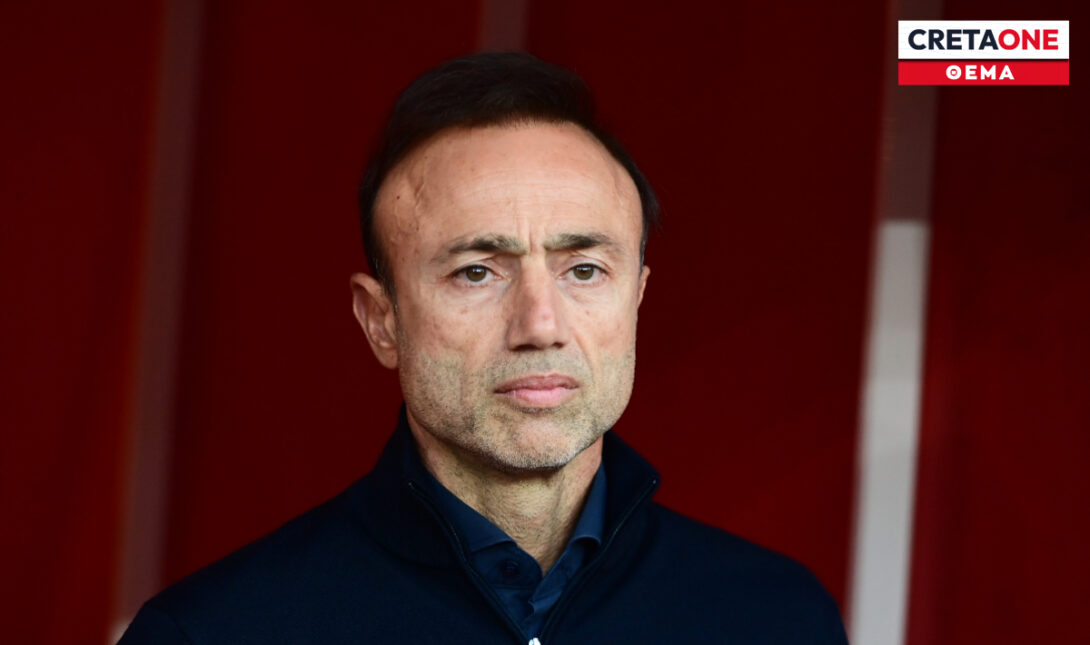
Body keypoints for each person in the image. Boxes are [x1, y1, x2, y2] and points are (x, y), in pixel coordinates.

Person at [119, 52, 848, 645]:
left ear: (637, 299)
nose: (540, 324)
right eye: (477, 271)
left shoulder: (777, 618)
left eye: (583, 270)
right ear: (381, 321)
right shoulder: (214, 632)